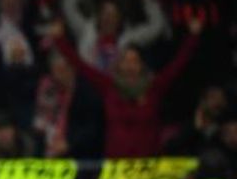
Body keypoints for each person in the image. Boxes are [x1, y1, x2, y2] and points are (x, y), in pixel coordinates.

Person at [51, 18, 202, 158]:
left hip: (148, 164)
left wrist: (193, 36)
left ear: (142, 66)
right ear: (119, 65)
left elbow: (177, 66)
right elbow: (81, 66)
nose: (130, 66)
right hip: (116, 165)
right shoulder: (108, 86)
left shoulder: (154, 88)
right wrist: (59, 40)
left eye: (135, 61)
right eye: (126, 61)